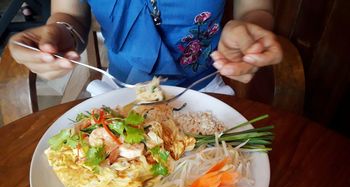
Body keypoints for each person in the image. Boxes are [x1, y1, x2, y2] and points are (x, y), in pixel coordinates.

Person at [9, 0, 282, 95]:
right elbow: (69, 14)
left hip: (205, 88)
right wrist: (59, 33)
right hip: (118, 91)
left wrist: (246, 32)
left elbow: (256, 9)